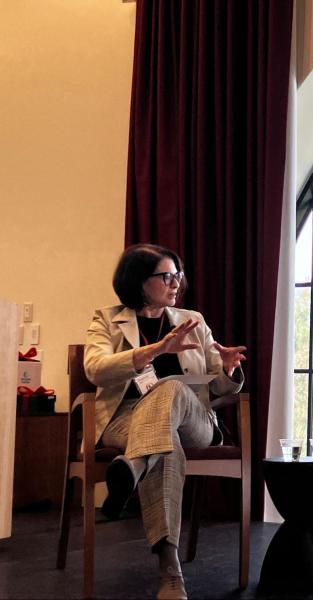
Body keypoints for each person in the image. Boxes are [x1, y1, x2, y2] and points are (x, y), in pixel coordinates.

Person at [84, 244, 246, 600]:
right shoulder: (107, 320)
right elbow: (94, 369)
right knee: (165, 445)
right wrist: (155, 351)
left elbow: (217, 385)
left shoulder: (193, 320)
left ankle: (134, 465)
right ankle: (170, 573)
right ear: (140, 281)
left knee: (170, 388)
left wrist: (230, 369)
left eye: (178, 275)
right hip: (126, 420)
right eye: (166, 276)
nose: (176, 283)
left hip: (195, 422)